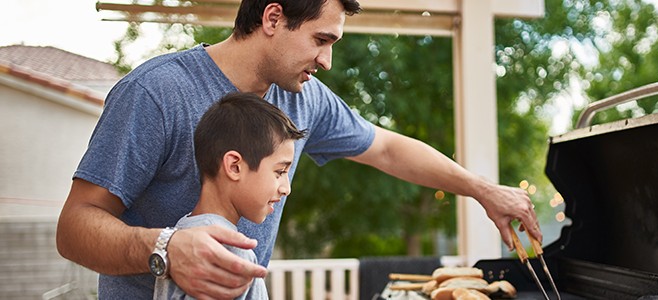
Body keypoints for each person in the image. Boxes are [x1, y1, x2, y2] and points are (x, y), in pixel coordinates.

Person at [56, 0, 542, 299]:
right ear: (273, 17)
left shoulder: (302, 98)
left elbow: (388, 150)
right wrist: (165, 248)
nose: (327, 60)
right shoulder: (157, 92)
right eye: (321, 39)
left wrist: (483, 191)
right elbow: (75, 227)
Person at [152, 92, 305, 299]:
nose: (286, 188)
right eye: (279, 172)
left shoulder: (184, 232)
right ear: (234, 166)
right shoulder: (227, 252)